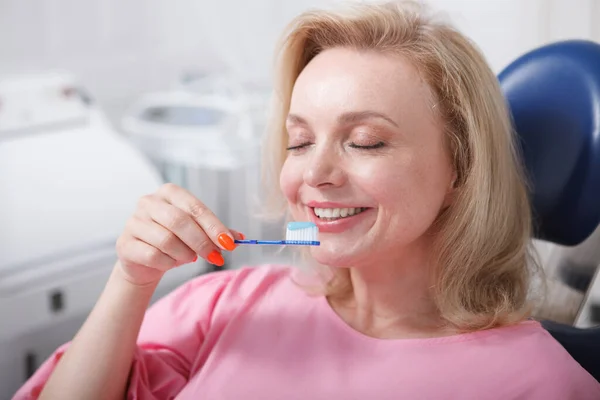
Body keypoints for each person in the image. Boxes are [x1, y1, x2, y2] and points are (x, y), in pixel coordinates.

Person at [13, 1, 600, 399]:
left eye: (364, 141)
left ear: (463, 169)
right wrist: (130, 280)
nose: (314, 173)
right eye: (299, 140)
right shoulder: (230, 301)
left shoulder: (538, 380)